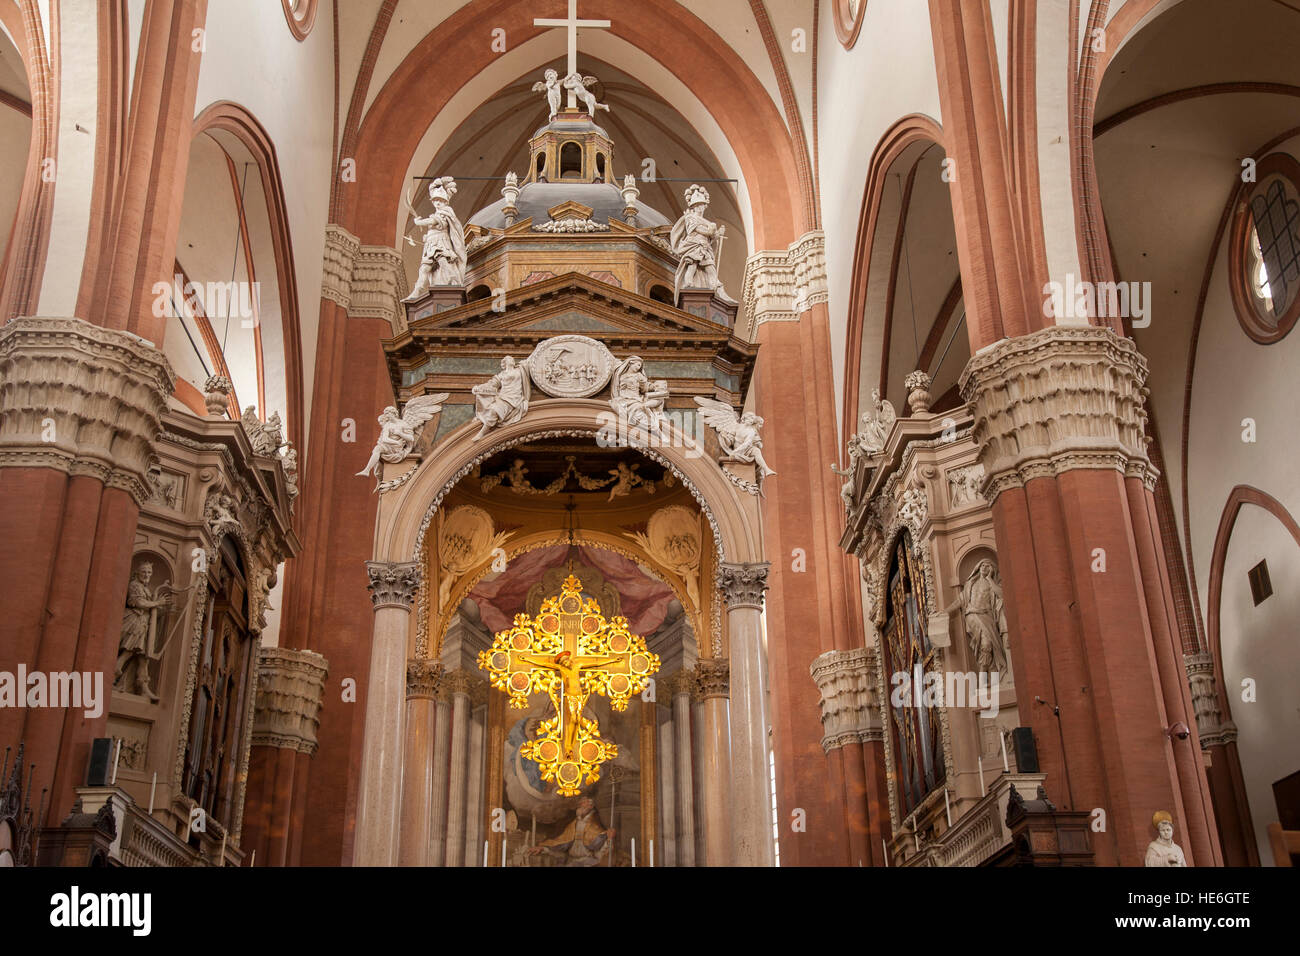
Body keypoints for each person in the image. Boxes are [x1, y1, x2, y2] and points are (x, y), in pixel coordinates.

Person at [115, 562, 172, 700]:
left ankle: (143, 686)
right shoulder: (134, 585)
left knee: (143, 658)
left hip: (143, 624)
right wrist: (158, 603)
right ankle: (113, 675)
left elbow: (150, 609)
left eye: (149, 572)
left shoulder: (146, 589)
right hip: (134, 622)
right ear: (138, 573)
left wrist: (163, 610)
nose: (147, 575)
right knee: (129, 650)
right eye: (144, 572)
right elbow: (140, 603)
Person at [527, 796, 615, 866]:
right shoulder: (574, 824)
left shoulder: (595, 825)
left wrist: (609, 839)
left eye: (583, 802)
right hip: (571, 861)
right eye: (580, 803)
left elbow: (602, 849)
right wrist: (543, 848)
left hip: (588, 862)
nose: (580, 805)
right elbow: (561, 842)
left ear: (590, 806)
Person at [472, 356, 530, 439]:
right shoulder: (501, 375)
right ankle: (481, 420)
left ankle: (482, 433)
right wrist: (478, 388)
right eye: (510, 359)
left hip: (514, 398)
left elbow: (531, 361)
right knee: (491, 407)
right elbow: (491, 384)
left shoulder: (520, 370)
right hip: (503, 396)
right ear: (505, 362)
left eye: (513, 359)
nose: (512, 360)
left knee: (495, 410)